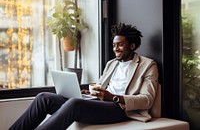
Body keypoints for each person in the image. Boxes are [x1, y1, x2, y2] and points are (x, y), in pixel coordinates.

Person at [9, 23, 159, 130]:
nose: (115, 49)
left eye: (120, 45)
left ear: (132, 46)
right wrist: (90, 92)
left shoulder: (147, 65)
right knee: (44, 97)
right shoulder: (112, 64)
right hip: (101, 102)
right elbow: (100, 86)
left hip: (119, 108)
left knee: (75, 104)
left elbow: (147, 100)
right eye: (114, 45)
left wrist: (113, 97)